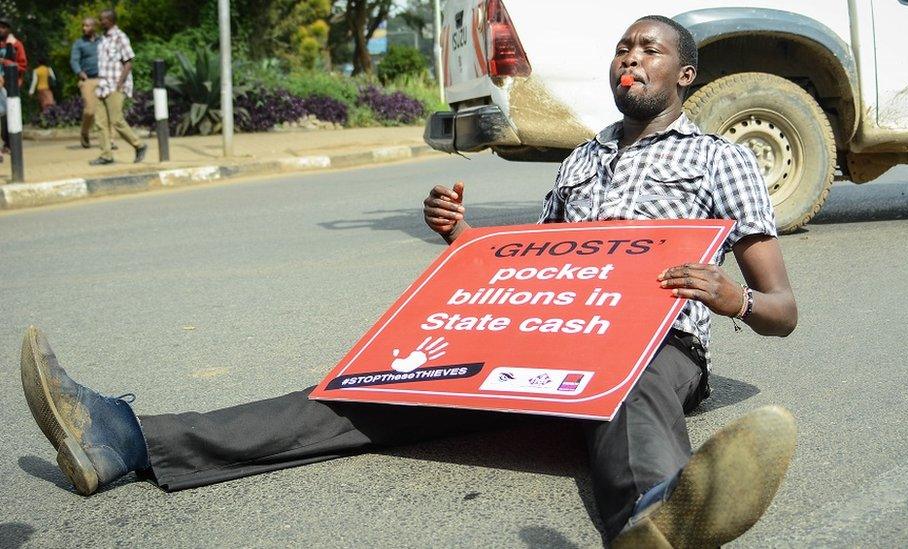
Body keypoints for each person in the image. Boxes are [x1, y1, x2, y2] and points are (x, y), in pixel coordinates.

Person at [20, 16, 799, 548]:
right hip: (544, 340)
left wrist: (733, 298)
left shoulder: (718, 160)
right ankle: (126, 440)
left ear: (685, 73)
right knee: (366, 390)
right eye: (623, 49)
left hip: (653, 344)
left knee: (630, 394)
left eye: (650, 50)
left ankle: (654, 519)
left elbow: (782, 309)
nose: (630, 59)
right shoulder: (582, 159)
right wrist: (462, 238)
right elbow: (549, 268)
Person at [89, 9, 146, 165]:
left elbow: (128, 62)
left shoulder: (121, 37)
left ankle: (139, 145)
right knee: (100, 122)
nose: (100, 22)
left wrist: (120, 84)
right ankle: (106, 155)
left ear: (111, 20)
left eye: (103, 20)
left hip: (115, 85)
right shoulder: (103, 39)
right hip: (103, 85)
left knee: (116, 120)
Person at [71, 17, 114, 149]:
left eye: (88, 26)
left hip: (104, 78)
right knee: (90, 110)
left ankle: (109, 141)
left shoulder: (103, 41)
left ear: (94, 27)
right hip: (88, 79)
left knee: (109, 109)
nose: (85, 28)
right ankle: (84, 132)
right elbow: (74, 60)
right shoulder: (79, 43)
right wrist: (79, 72)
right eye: (83, 26)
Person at [0, 17, 27, 157]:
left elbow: (22, 65)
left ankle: (9, 144)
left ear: (9, 29)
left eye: (4, 27)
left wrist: (5, 61)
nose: (1, 29)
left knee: (8, 115)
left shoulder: (16, 45)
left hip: (10, 85)